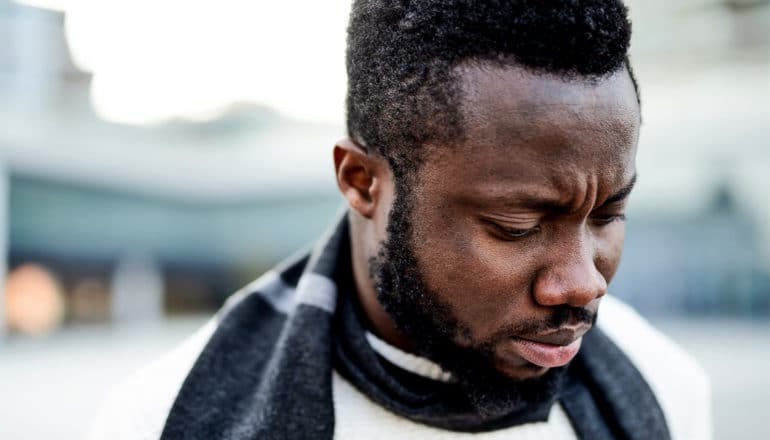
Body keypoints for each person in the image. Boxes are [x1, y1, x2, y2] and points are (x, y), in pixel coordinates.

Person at [90, 1, 711, 438]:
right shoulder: (164, 421)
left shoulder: (664, 386)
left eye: (608, 214)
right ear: (362, 182)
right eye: (516, 225)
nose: (582, 284)